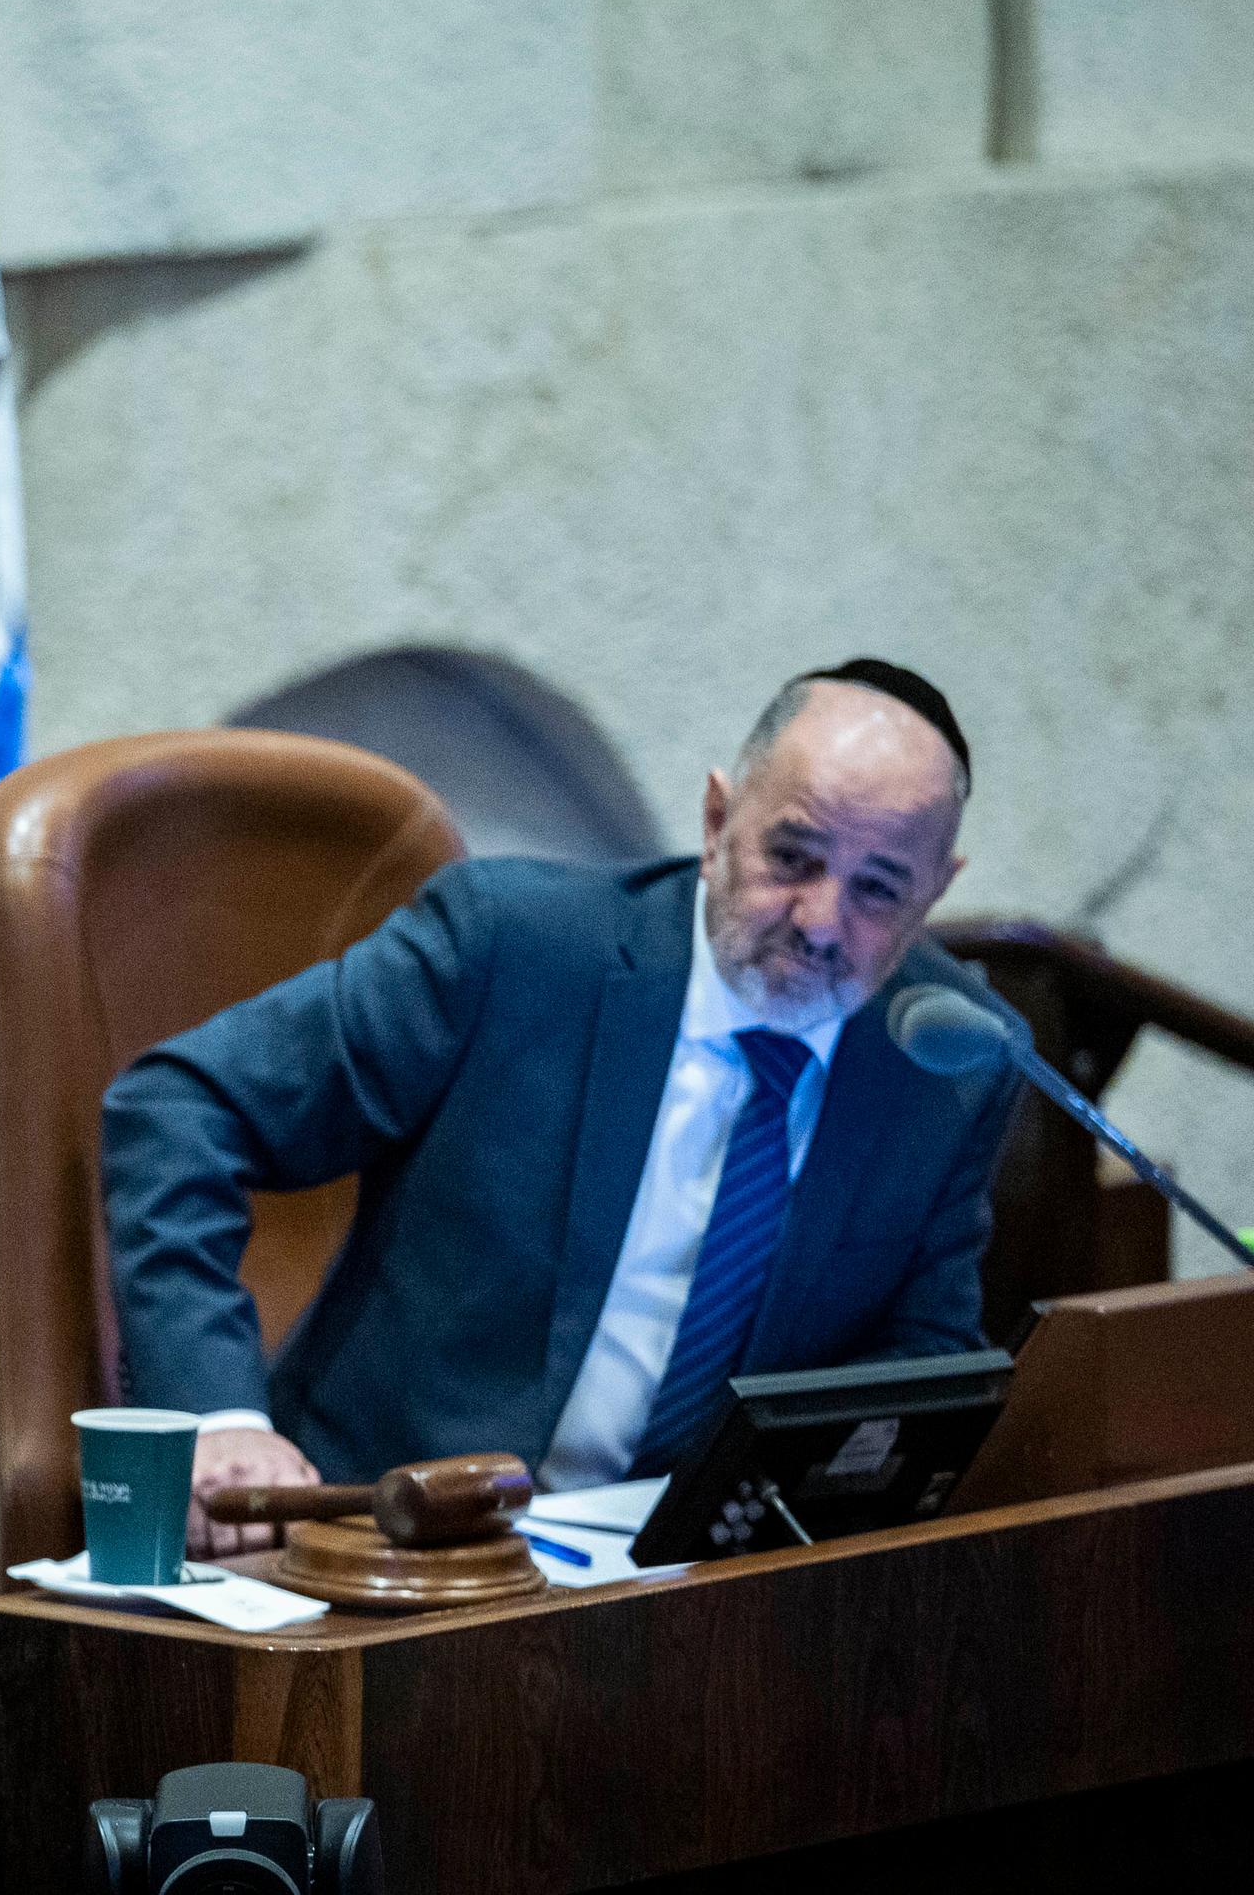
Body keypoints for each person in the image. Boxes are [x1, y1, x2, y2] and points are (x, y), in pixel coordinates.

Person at [101, 660, 1023, 1554]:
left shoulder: (947, 1059)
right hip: (378, 1543)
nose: (821, 920)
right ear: (715, 822)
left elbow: (920, 1364)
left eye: (877, 889)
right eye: (793, 855)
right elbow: (181, 1108)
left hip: (686, 1584)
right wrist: (217, 1418)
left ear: (936, 890)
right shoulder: (512, 947)